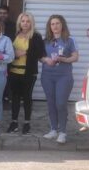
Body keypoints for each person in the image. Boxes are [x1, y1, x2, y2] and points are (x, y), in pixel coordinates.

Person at [40, 14, 79, 144]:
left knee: (61, 103)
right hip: (47, 76)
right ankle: (53, 130)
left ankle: (62, 132)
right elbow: (40, 57)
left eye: (57, 23)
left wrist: (64, 59)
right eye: (52, 24)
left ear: (62, 25)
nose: (55, 26)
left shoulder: (69, 40)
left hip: (64, 76)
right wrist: (46, 59)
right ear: (49, 26)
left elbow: (75, 57)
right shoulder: (45, 41)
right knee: (51, 103)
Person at [7, 12, 45, 135]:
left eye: (28, 21)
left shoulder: (36, 36)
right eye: (23, 21)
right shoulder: (14, 35)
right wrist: (14, 53)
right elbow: (7, 50)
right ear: (19, 22)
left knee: (27, 97)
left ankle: (27, 123)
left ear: (31, 23)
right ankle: (14, 122)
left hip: (28, 72)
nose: (25, 23)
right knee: (15, 98)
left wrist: (24, 52)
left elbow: (40, 53)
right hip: (13, 71)